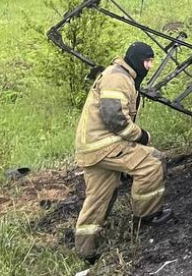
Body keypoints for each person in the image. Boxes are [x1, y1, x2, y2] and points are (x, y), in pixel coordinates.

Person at [73, 41, 172, 261]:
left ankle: (85, 250)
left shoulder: (119, 74)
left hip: (91, 147)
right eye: (147, 61)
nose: (149, 66)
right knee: (152, 162)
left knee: (98, 197)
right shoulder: (118, 78)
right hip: (105, 144)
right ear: (137, 59)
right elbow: (114, 117)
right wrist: (141, 136)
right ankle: (147, 215)